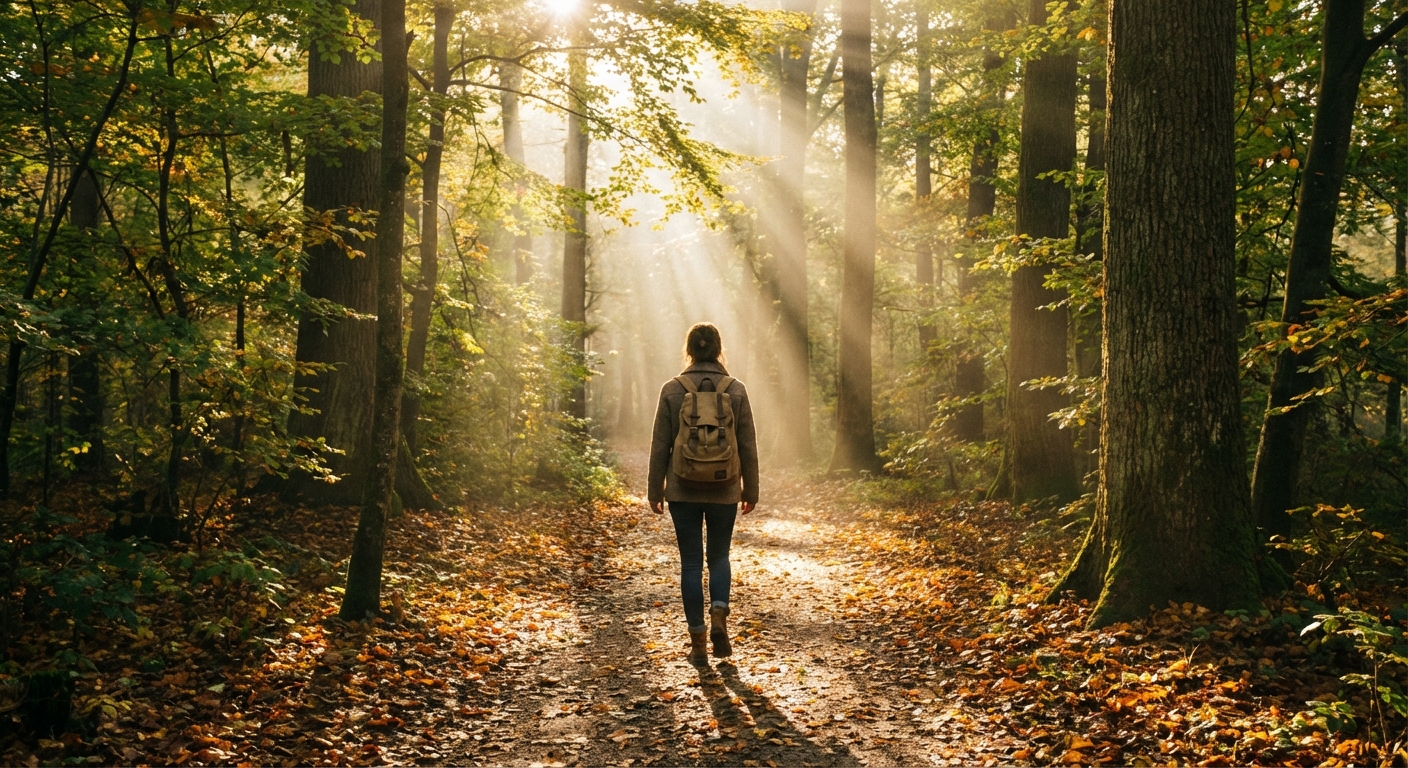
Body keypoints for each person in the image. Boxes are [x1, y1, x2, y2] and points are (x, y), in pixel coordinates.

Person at [648, 323, 759, 664]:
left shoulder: (672, 389)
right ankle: (719, 615)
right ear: (718, 349)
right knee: (720, 557)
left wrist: (656, 490)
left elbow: (660, 446)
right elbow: (748, 445)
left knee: (692, 563)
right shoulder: (735, 389)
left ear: (690, 350)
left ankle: (697, 644)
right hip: (725, 487)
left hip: (682, 489)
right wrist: (750, 489)